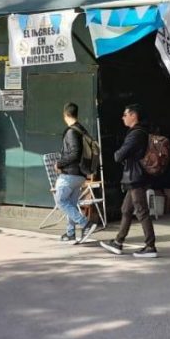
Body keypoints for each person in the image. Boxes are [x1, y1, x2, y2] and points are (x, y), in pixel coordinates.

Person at [100, 104, 157, 258]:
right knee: (126, 210)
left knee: (141, 211)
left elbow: (120, 155)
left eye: (125, 115)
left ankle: (150, 246)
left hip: (135, 177)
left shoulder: (136, 134)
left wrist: (117, 154)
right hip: (136, 176)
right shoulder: (140, 132)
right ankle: (118, 242)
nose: (123, 117)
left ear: (133, 115)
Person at [54, 102, 98, 244]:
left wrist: (59, 163)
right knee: (71, 205)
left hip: (70, 174)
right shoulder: (82, 130)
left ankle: (85, 223)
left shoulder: (71, 132)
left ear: (65, 114)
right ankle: (70, 233)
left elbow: (75, 153)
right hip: (80, 175)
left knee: (60, 201)